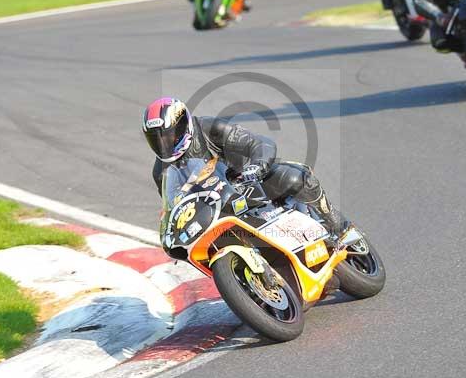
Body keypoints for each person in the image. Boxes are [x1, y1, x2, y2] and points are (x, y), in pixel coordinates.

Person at [142, 97, 351, 259]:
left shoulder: (208, 128)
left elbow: (258, 143)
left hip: (250, 184)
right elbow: (174, 205)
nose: (165, 142)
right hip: (216, 210)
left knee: (297, 178)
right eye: (157, 138)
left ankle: (335, 225)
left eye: (168, 134)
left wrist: (256, 167)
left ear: (182, 124)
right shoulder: (160, 171)